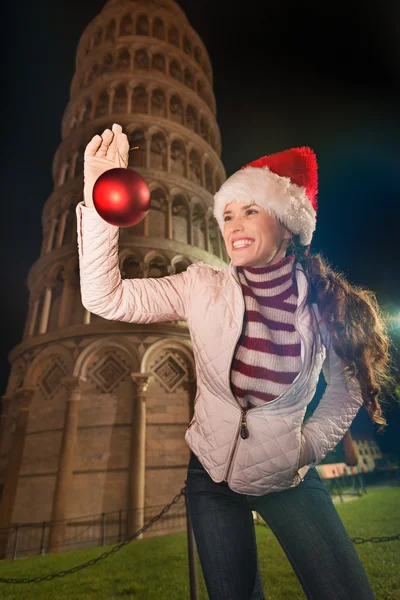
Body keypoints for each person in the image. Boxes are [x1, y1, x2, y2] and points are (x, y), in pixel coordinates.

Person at [78, 123, 391, 599]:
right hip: (210, 476)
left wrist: (303, 449)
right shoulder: (201, 285)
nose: (235, 224)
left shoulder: (324, 302)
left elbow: (347, 388)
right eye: (226, 215)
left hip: (286, 475)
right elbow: (107, 298)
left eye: (251, 210)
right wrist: (100, 200)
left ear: (288, 225)